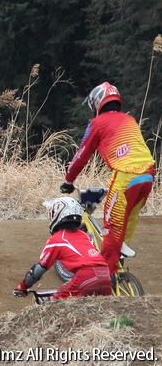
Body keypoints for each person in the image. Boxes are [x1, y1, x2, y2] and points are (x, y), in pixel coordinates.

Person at [60, 82, 155, 272]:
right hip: (149, 175)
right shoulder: (129, 119)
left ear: (97, 103)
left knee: (111, 227)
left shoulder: (97, 123)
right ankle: (118, 264)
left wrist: (68, 181)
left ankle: (105, 279)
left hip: (126, 176)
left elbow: (82, 155)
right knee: (128, 220)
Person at [14, 196, 112, 300]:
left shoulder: (56, 239)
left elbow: (39, 269)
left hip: (86, 276)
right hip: (106, 275)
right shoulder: (85, 236)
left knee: (56, 302)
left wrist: (22, 287)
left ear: (57, 214)